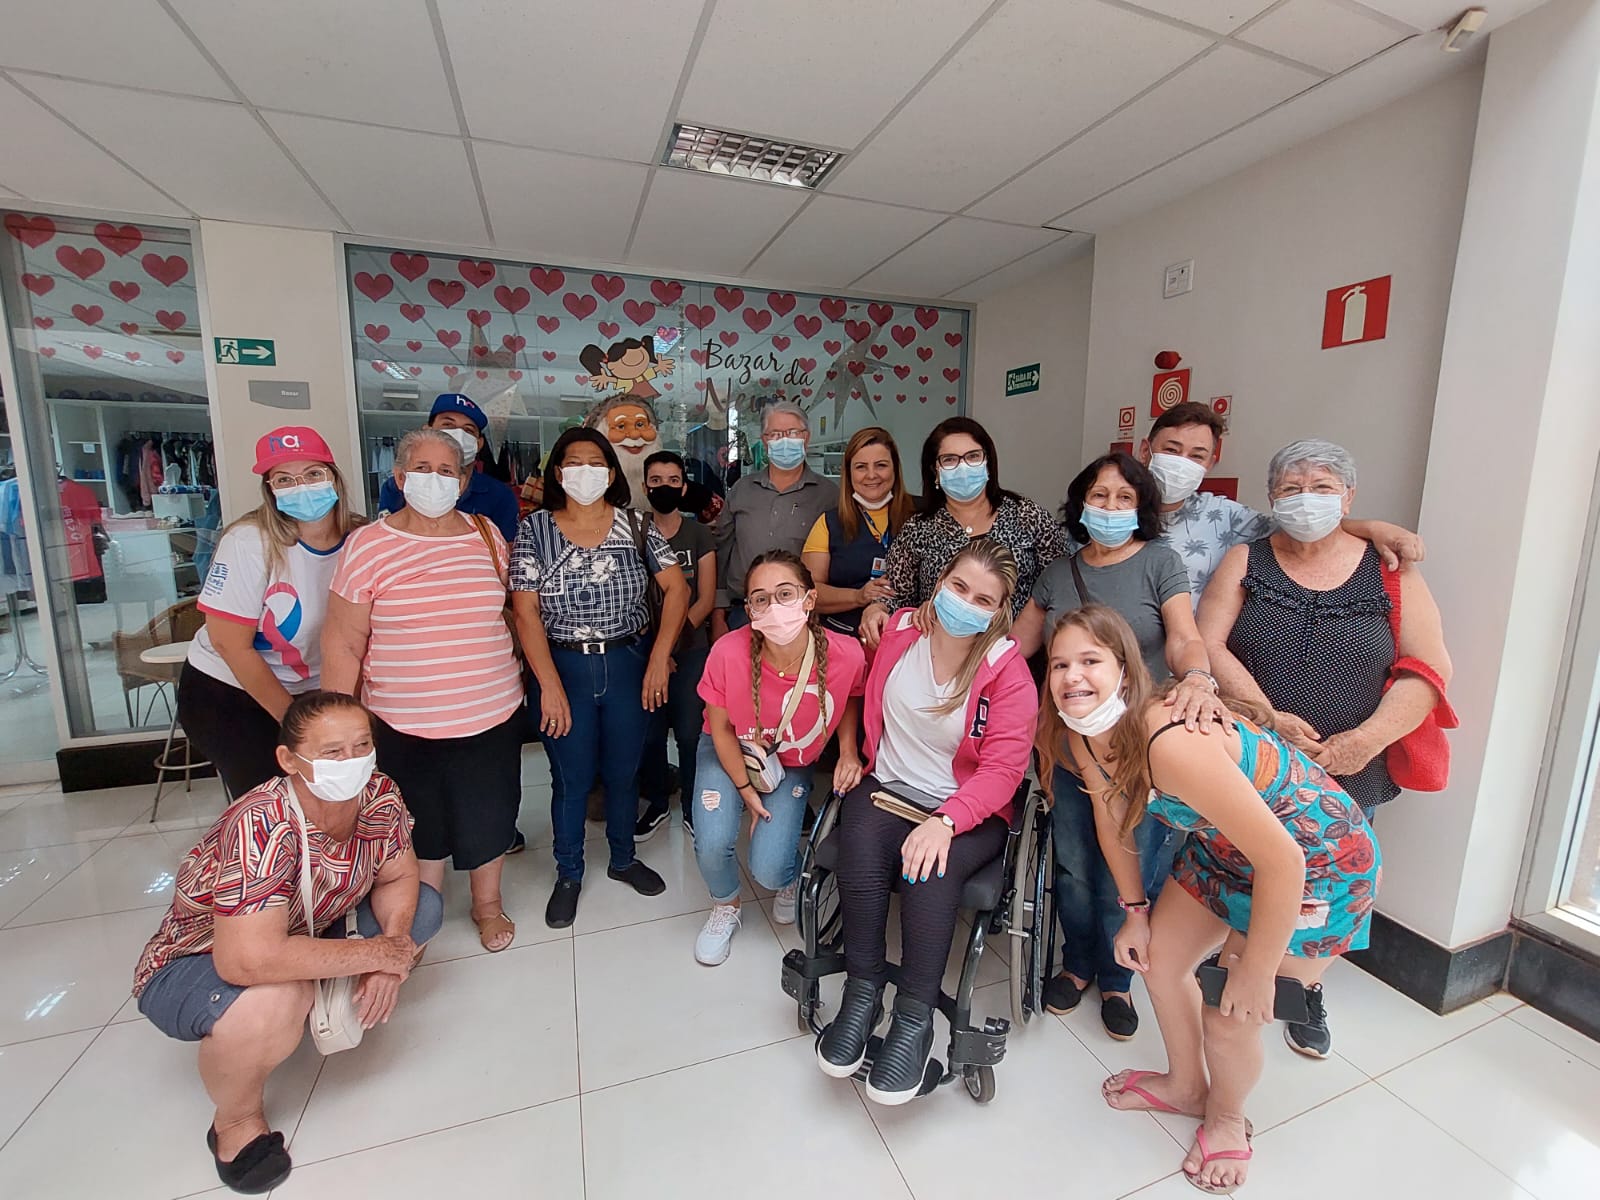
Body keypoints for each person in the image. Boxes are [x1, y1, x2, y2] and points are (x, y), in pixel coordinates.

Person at [1039, 605, 1381, 1195]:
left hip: (1319, 864)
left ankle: (1226, 1121)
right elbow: (1110, 816)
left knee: (1230, 1017)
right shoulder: (1084, 734)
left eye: (1090, 661)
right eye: (1060, 664)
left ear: (1124, 669)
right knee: (1158, 962)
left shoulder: (1171, 742)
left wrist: (1259, 971)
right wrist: (1135, 914)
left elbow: (1284, 862)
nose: (1073, 677)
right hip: (1225, 849)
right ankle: (1185, 1086)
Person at [1197, 438, 1451, 1060]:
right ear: (1272, 497)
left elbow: (1427, 668)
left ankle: (1305, 987)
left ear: (1349, 497)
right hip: (1260, 755)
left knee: (1334, 882)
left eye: (1320, 486)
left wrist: (1366, 740)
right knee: (1254, 863)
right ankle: (1246, 970)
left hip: (1353, 762)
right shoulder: (1245, 560)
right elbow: (1209, 645)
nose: (1305, 499)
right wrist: (1268, 717)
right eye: (1290, 488)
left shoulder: (1389, 570)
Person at [132, 692, 440, 1195]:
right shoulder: (261, 822)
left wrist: (395, 945)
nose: (352, 762)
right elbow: (246, 959)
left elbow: (398, 875)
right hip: (200, 958)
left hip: (308, 927)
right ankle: (234, 1121)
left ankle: (321, 987)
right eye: (332, 752)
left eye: (362, 745)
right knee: (277, 998)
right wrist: (376, 953)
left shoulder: (379, 792)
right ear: (288, 760)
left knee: (423, 908)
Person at [1009, 453, 1226, 1038]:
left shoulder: (1159, 562)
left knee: (1133, 862)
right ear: (1081, 505)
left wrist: (1199, 677)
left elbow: (1183, 638)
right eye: (1099, 497)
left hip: (1142, 747)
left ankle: (1117, 976)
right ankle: (1078, 963)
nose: (1109, 508)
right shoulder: (1056, 574)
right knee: (1077, 863)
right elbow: (1014, 648)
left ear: (1142, 508)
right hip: (1069, 741)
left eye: (1123, 498)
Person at [818, 539, 1037, 1104]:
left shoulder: (1008, 675)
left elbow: (1004, 771)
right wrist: (851, 754)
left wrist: (945, 821)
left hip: (965, 808)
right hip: (887, 785)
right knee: (859, 858)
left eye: (983, 599)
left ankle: (915, 1020)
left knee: (929, 873)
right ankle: (862, 994)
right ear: (940, 582)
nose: (966, 603)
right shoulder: (899, 632)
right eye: (959, 588)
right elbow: (860, 691)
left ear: (1000, 610)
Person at [322, 427, 525, 954]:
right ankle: (418, 912)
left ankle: (487, 905)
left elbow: (507, 612)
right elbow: (344, 640)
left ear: (463, 480)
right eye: (423, 469)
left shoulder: (486, 535)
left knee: (490, 812)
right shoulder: (369, 545)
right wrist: (336, 726)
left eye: (447, 471)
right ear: (399, 477)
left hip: (491, 711)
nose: (435, 481)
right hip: (401, 719)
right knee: (418, 822)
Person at [512, 427, 690, 929]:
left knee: (622, 771)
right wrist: (547, 684)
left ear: (611, 473)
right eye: (573, 462)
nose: (584, 472)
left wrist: (659, 657)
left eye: (595, 463)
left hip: (627, 663)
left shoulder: (636, 525)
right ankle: (568, 873)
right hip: (563, 666)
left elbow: (675, 590)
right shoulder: (535, 529)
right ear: (558, 473)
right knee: (570, 778)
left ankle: (621, 858)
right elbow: (525, 613)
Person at [691, 551, 867, 965]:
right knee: (713, 842)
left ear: (809, 599)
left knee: (770, 869)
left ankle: (788, 880)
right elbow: (719, 728)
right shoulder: (727, 652)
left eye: (785, 593)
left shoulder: (846, 654)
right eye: (760, 598)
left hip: (790, 760)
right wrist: (745, 791)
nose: (774, 607)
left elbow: (851, 695)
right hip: (729, 749)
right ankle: (725, 906)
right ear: (748, 609)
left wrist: (847, 751)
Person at [179, 426, 363, 799]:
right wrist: (298, 724)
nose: (302, 486)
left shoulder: (363, 539)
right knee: (274, 802)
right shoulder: (249, 541)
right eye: (284, 479)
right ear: (270, 489)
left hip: (316, 691)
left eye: (313, 474)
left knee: (337, 798)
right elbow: (230, 644)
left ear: (334, 478)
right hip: (232, 694)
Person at [1137, 401, 1423, 599]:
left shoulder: (1224, 518)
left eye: (1196, 455)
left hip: (1185, 675)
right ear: (1145, 451)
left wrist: (1374, 528)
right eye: (1172, 450)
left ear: (1210, 463)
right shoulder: (1107, 509)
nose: (1182, 463)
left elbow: (1303, 525)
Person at [859, 416, 1067, 648]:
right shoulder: (918, 529)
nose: (963, 467)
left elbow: (1059, 583)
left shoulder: (1027, 515)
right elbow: (896, 594)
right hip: (940, 658)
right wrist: (876, 608)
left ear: (988, 461)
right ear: (935, 470)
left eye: (973, 456)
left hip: (1016, 657)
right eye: (949, 460)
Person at [636, 450, 717, 838]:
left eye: (672, 480)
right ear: (644, 486)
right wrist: (655, 650)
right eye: (656, 481)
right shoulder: (634, 531)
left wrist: (669, 646)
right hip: (644, 651)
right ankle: (656, 802)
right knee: (651, 732)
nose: (664, 487)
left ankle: (690, 803)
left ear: (683, 487)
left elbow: (704, 598)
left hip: (690, 649)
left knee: (688, 732)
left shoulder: (699, 533)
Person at [712, 401, 838, 637]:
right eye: (776, 434)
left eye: (792, 433)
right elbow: (722, 551)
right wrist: (718, 614)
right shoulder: (742, 490)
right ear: (764, 441)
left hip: (803, 613)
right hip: (744, 612)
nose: (784, 440)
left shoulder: (829, 495)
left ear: (806, 438)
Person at [802, 426, 916, 636]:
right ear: (848, 473)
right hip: (842, 639)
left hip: (909, 640)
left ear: (895, 469)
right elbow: (809, 591)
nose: (871, 475)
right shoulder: (828, 523)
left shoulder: (920, 517)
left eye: (881, 465)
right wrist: (858, 596)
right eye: (861, 467)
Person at [377, 393, 519, 540]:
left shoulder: (499, 495)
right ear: (428, 429)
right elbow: (386, 538)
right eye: (448, 425)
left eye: (468, 430)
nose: (458, 434)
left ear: (479, 443)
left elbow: (506, 550)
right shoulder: (401, 485)